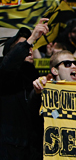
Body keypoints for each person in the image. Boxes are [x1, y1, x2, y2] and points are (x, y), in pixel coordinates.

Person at [0, 19, 49, 160]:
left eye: (31, 46)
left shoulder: (36, 77)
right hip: (9, 151)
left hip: (33, 151)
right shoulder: (5, 74)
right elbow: (7, 67)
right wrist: (32, 38)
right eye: (22, 45)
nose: (29, 49)